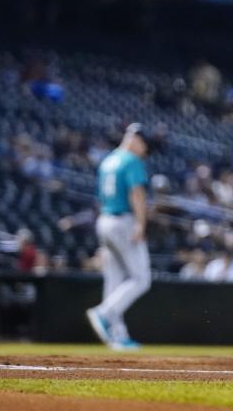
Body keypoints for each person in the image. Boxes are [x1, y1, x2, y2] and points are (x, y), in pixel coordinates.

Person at [86, 123, 152, 350]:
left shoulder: (108, 161)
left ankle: (118, 336)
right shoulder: (131, 160)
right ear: (136, 139)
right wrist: (141, 224)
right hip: (123, 220)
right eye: (145, 145)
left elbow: (100, 199)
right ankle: (104, 313)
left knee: (114, 280)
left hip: (105, 219)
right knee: (141, 279)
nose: (145, 151)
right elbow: (136, 192)